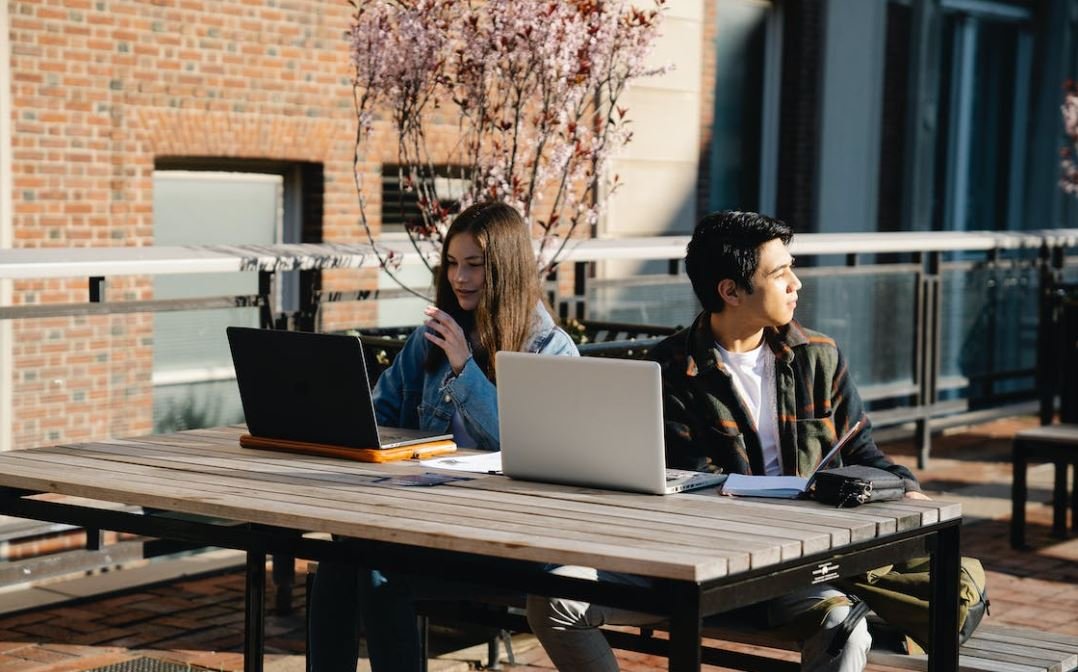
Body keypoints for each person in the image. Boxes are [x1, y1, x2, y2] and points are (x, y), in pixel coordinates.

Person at [526, 210, 928, 672]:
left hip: (793, 565)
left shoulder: (819, 356)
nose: (796, 283)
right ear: (730, 291)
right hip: (692, 563)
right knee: (556, 599)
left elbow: (862, 452)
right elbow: (695, 486)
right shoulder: (670, 370)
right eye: (779, 273)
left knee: (846, 629)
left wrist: (903, 486)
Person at [309, 201, 578, 672]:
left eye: (474, 265)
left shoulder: (548, 347)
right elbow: (379, 413)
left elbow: (536, 447)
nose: (459, 278)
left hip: (512, 537)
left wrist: (464, 368)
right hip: (434, 522)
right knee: (341, 554)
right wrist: (334, 412)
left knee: (372, 565)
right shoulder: (434, 335)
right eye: (452, 264)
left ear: (506, 269)